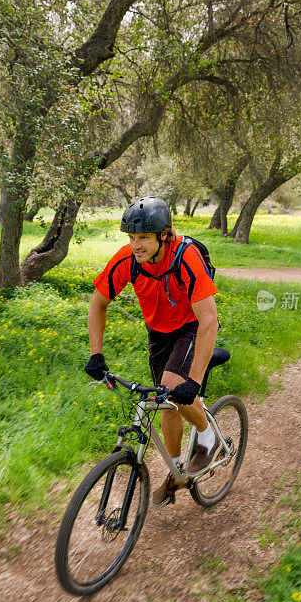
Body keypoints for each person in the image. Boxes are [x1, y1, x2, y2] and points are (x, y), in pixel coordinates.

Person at [84, 196, 219, 508]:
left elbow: (209, 320)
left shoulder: (186, 256)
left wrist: (194, 380)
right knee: (164, 400)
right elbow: (98, 303)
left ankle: (208, 436)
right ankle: (177, 470)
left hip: (191, 327)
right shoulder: (127, 260)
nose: (136, 245)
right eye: (132, 237)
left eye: (143, 237)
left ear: (164, 235)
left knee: (174, 387)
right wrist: (96, 354)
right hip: (158, 332)